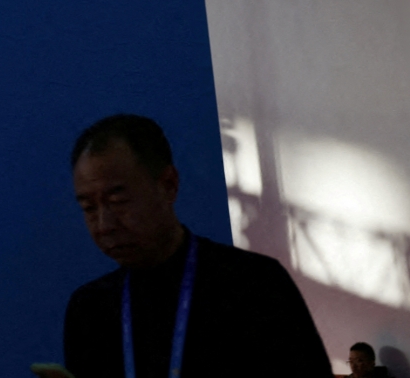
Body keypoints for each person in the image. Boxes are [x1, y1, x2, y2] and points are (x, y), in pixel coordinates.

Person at [50, 114, 334, 378]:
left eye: (118, 201)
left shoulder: (255, 285)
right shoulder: (90, 310)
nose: (104, 225)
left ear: (168, 185)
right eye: (89, 208)